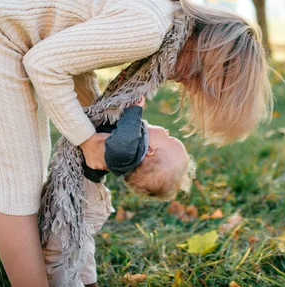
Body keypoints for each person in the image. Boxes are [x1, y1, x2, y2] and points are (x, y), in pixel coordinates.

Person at [0, 0, 272, 287]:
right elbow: (44, 65)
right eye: (198, 82)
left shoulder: (164, 18)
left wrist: (94, 122)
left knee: (31, 171)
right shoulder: (148, 29)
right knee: (18, 185)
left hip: (7, 20)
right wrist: (87, 141)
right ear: (207, 58)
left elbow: (72, 59)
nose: (185, 84)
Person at [43, 99, 196, 287]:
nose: (167, 131)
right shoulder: (132, 142)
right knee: (81, 243)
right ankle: (89, 282)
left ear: (150, 150)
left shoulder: (127, 151)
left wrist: (135, 109)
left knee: (57, 250)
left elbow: (121, 145)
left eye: (169, 137)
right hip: (85, 194)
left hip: (84, 198)